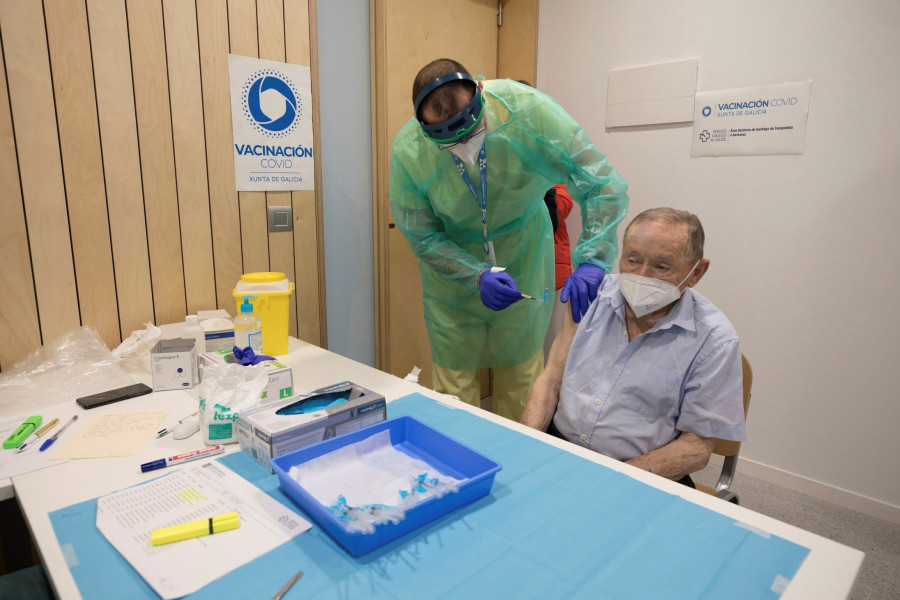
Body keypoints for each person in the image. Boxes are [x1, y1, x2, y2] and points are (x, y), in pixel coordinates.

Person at [390, 59, 628, 421]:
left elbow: (600, 183)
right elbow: (422, 236)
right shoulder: (409, 150)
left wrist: (594, 258)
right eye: (446, 139)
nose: (463, 144)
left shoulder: (530, 112)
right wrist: (475, 274)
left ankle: (521, 468)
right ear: (424, 128)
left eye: (468, 128)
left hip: (524, 252)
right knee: (454, 385)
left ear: (480, 92)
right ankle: (461, 462)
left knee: (522, 377)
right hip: (452, 277)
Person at [520, 208, 745, 486]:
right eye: (632, 260)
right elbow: (550, 382)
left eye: (661, 267)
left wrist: (609, 480)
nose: (642, 276)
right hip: (561, 444)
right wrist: (526, 445)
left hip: (642, 472)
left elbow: (696, 448)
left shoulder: (714, 341)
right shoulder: (590, 298)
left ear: (697, 272)